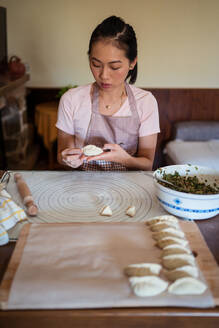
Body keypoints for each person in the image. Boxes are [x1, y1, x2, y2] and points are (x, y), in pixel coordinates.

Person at [56, 16, 160, 171]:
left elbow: (147, 164)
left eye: (115, 67)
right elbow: (61, 155)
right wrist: (67, 159)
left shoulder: (145, 102)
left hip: (129, 188)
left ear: (132, 63)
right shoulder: (71, 99)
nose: (104, 75)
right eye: (96, 64)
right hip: (82, 187)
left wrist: (125, 159)